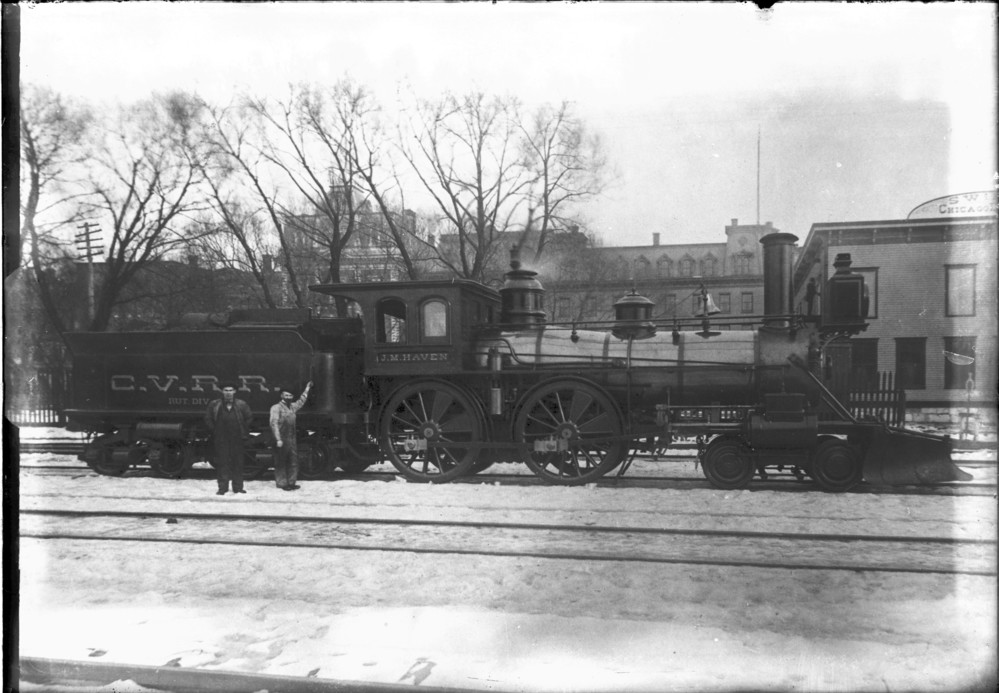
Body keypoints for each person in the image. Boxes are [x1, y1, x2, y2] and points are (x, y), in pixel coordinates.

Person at [204, 384, 253, 496]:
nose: (228, 392)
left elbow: (249, 417)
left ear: (234, 391)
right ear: (222, 391)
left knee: (238, 463)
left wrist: (243, 429)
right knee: (222, 463)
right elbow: (208, 418)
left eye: (230, 390)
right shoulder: (214, 404)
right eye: (226, 390)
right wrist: (215, 430)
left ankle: (238, 488)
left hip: (237, 438)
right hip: (221, 439)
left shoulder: (242, 404)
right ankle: (222, 488)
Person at [269, 381, 313, 491]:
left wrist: (307, 388)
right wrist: (278, 439)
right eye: (286, 395)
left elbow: (301, 401)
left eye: (290, 395)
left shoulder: (292, 407)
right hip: (281, 438)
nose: (288, 397)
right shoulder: (276, 408)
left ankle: (292, 482)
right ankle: (282, 483)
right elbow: (274, 423)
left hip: (292, 438)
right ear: (281, 395)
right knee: (281, 462)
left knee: (293, 461)